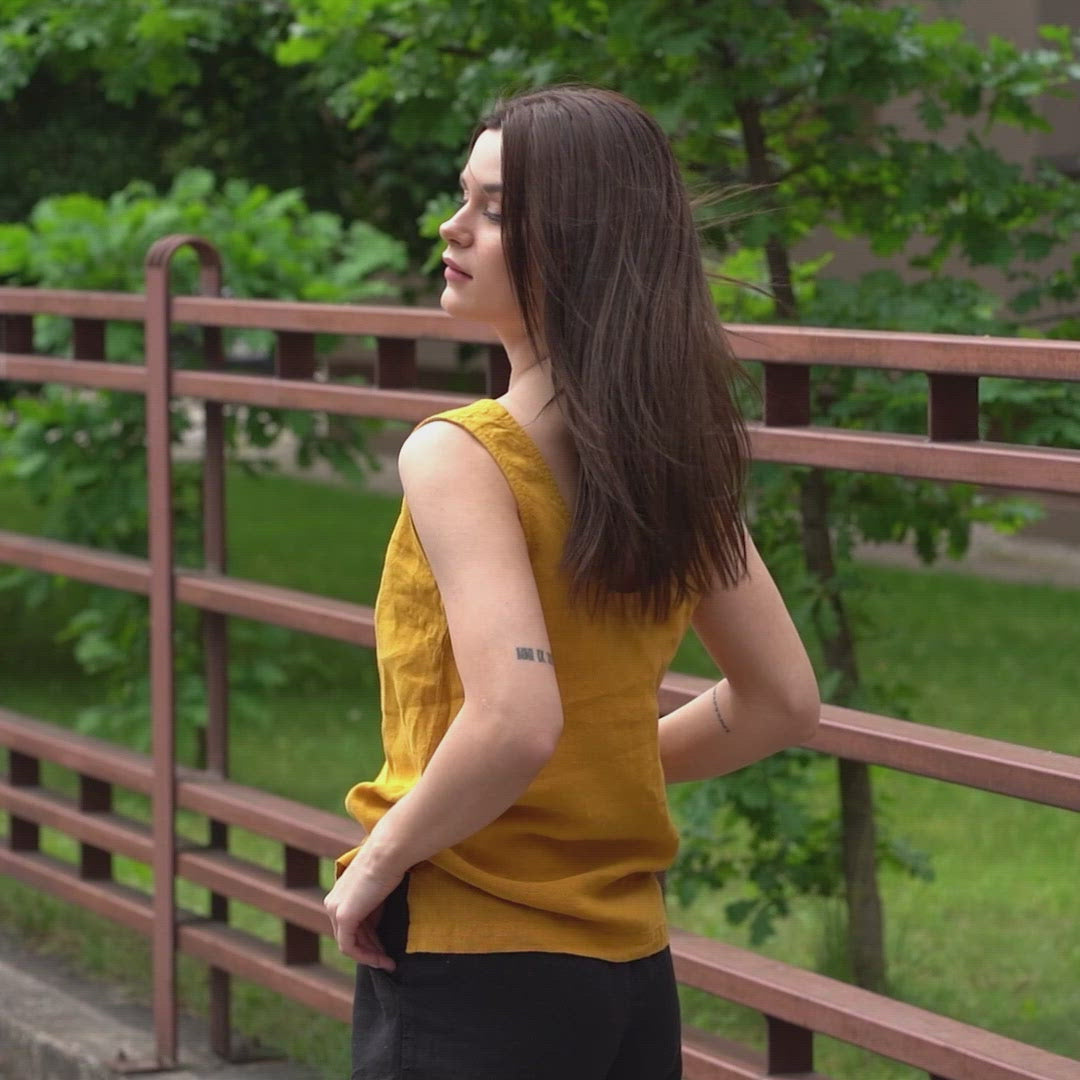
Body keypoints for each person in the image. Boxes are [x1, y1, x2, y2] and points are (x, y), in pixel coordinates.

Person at [324, 84, 820, 1080]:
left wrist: (374, 867)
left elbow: (514, 721)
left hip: (475, 957)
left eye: (496, 208)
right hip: (629, 970)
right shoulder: (668, 453)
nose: (452, 227)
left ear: (582, 239)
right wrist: (592, 765)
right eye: (463, 196)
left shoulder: (461, 454)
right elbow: (780, 701)